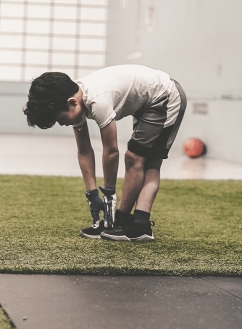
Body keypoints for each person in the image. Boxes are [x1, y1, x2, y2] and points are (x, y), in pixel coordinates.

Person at [23, 64, 187, 242]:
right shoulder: (75, 96)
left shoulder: (98, 101)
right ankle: (125, 222)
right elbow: (85, 151)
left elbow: (111, 151)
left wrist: (109, 195)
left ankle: (136, 224)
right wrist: (92, 193)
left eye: (61, 119)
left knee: (140, 159)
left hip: (165, 97)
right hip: (146, 103)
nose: (63, 124)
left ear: (72, 102)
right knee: (139, 159)